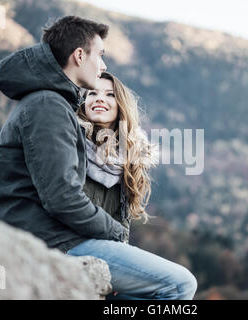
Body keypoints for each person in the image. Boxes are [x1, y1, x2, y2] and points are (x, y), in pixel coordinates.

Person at [0, 16, 127, 256]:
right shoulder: (48, 106)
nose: (103, 66)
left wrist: (118, 236)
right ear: (80, 56)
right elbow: (62, 197)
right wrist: (117, 234)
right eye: (100, 55)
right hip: (52, 241)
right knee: (180, 283)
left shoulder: (55, 104)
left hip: (63, 237)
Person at [68, 71, 197, 300]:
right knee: (182, 285)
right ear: (83, 102)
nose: (99, 98)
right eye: (92, 93)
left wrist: (121, 262)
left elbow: (122, 222)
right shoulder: (70, 140)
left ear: (121, 106)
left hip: (107, 251)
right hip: (72, 244)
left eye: (109, 94)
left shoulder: (129, 156)